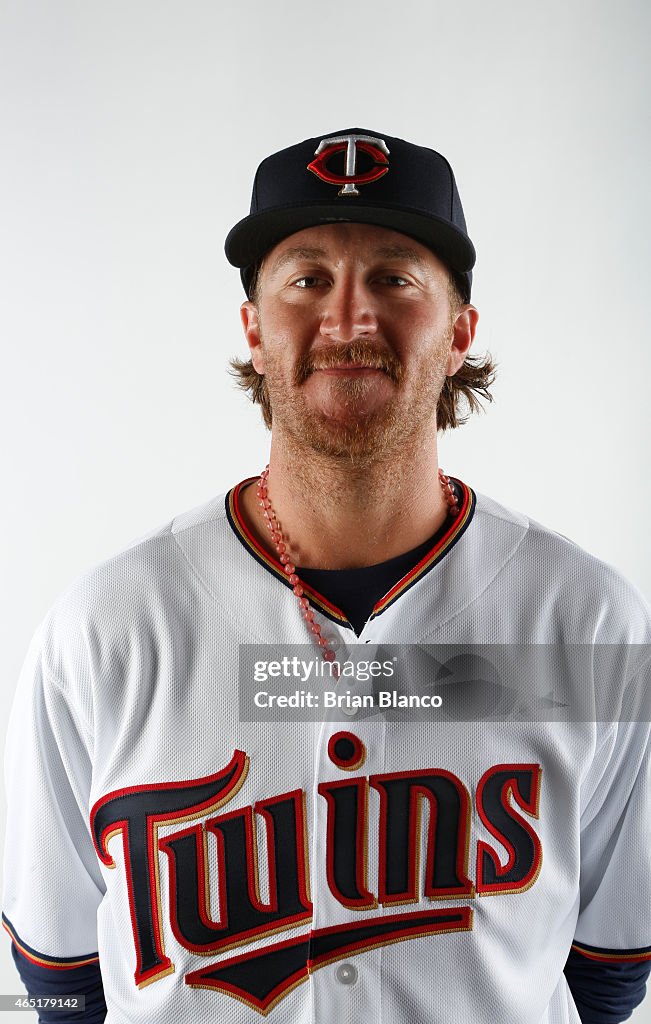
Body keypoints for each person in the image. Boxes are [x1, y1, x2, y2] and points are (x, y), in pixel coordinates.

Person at [3, 128, 650, 1024]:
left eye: (394, 278)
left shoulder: (586, 626)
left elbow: (606, 971)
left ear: (460, 331)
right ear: (254, 332)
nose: (348, 320)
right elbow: (64, 980)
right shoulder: (109, 627)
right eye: (307, 279)